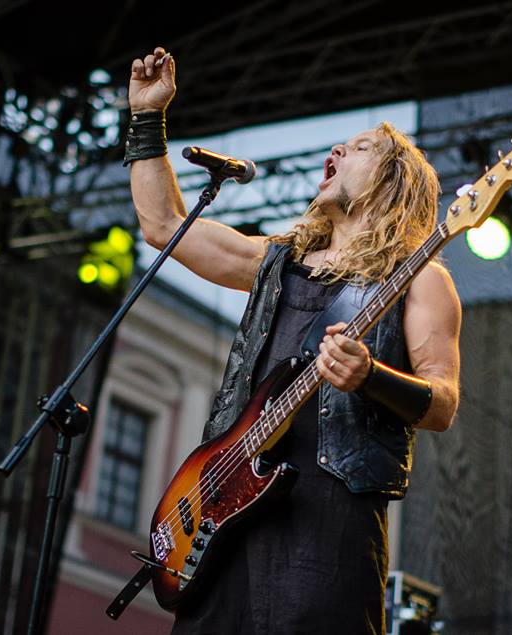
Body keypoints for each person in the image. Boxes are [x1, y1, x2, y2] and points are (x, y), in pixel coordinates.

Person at [127, 47, 461, 634]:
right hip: (225, 507)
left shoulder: (421, 279)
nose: (337, 151)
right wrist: (146, 118)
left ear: (394, 181)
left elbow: (443, 402)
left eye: (359, 149)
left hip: (327, 522)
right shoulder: (275, 261)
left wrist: (370, 376)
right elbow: (161, 225)